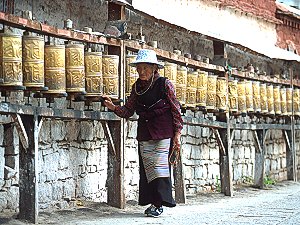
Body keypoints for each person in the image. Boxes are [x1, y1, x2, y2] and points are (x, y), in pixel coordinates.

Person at [102, 49, 183, 217]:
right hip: (145, 132)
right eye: (139, 68)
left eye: (145, 68)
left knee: (160, 168)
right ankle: (153, 202)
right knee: (148, 169)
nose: (141, 72)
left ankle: (158, 204)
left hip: (162, 132)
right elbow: (128, 110)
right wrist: (114, 108)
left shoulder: (165, 84)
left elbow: (176, 109)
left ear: (154, 68)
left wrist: (177, 134)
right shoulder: (137, 87)